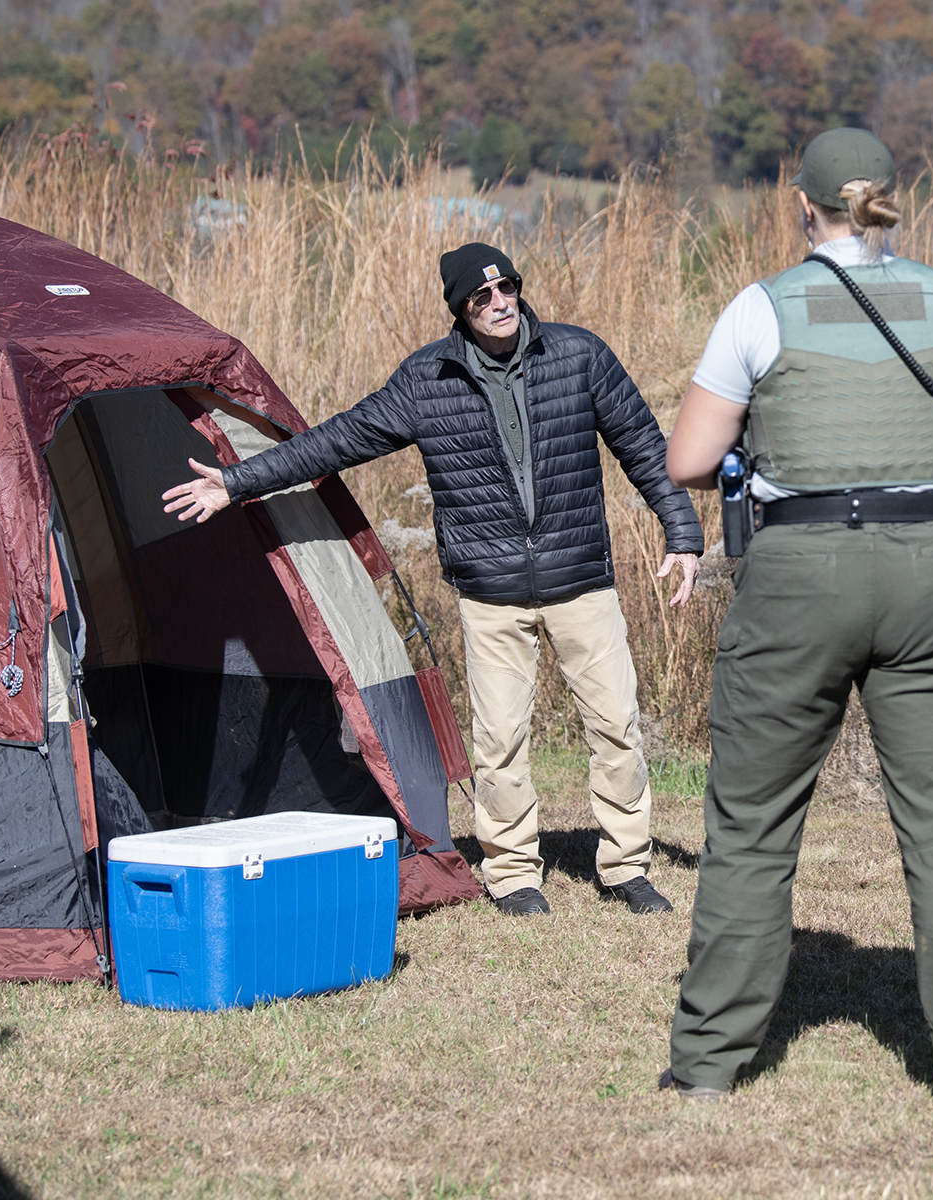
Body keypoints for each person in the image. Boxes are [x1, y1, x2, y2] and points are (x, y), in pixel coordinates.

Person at [656, 128, 933, 1114]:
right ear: (888, 201)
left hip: (800, 574)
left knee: (752, 819)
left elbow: (690, 460)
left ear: (803, 204)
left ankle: (708, 1064)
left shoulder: (760, 309)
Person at [162, 242, 704, 917]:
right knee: (500, 740)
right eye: (482, 297)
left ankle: (626, 865)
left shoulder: (580, 356)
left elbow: (645, 447)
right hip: (489, 593)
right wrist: (237, 481)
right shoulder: (427, 380)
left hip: (580, 580)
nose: (500, 302)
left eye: (507, 287)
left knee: (617, 725)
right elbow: (336, 440)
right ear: (461, 309)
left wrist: (682, 532)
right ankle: (512, 874)